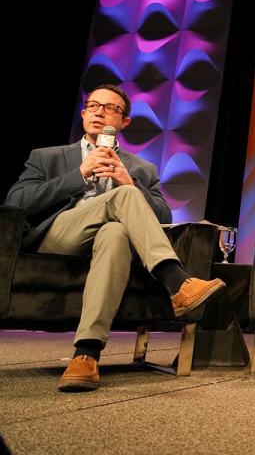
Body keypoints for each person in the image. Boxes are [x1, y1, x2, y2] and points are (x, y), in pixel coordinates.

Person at [4, 84, 226, 392]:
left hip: (108, 242)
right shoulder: (47, 157)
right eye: (93, 105)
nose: (99, 111)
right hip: (59, 237)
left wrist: (130, 182)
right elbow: (16, 204)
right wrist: (77, 175)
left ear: (124, 122)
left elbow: (162, 218)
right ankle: (176, 281)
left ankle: (87, 354)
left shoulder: (140, 168)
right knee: (122, 199)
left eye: (110, 108)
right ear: (83, 113)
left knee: (117, 231)